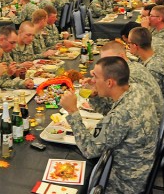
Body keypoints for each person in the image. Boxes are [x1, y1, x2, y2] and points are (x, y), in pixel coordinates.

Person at [60, 56, 158, 193]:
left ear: (110, 82)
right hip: (140, 167)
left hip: (124, 184)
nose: (92, 80)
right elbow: (109, 109)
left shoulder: (121, 115)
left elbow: (89, 149)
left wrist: (72, 111)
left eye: (95, 77)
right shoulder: (136, 89)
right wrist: (93, 94)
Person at [95, 41, 164, 119]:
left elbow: (111, 109)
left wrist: (96, 89)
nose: (103, 64)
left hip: (150, 120)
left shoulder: (126, 75)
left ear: (121, 57)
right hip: (153, 117)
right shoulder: (135, 65)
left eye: (108, 61)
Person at [128, 27, 164, 106]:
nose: (128, 46)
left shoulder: (152, 69)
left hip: (159, 107)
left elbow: (149, 97)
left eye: (129, 43)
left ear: (135, 46)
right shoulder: (158, 57)